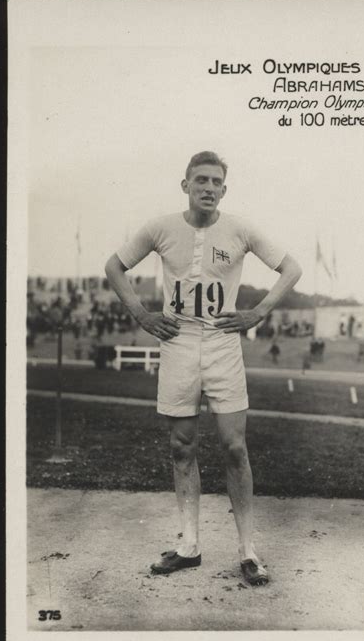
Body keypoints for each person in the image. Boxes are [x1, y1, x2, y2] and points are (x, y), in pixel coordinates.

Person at [105, 151, 302, 586]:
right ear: (186, 185)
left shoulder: (240, 229)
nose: (209, 188)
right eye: (201, 180)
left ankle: (248, 552)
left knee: (234, 446)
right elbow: (114, 266)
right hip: (177, 343)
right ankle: (188, 546)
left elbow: (291, 268)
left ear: (224, 189)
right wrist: (142, 313)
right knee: (181, 445)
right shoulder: (161, 227)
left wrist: (258, 313)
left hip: (222, 342)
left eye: (216, 182)